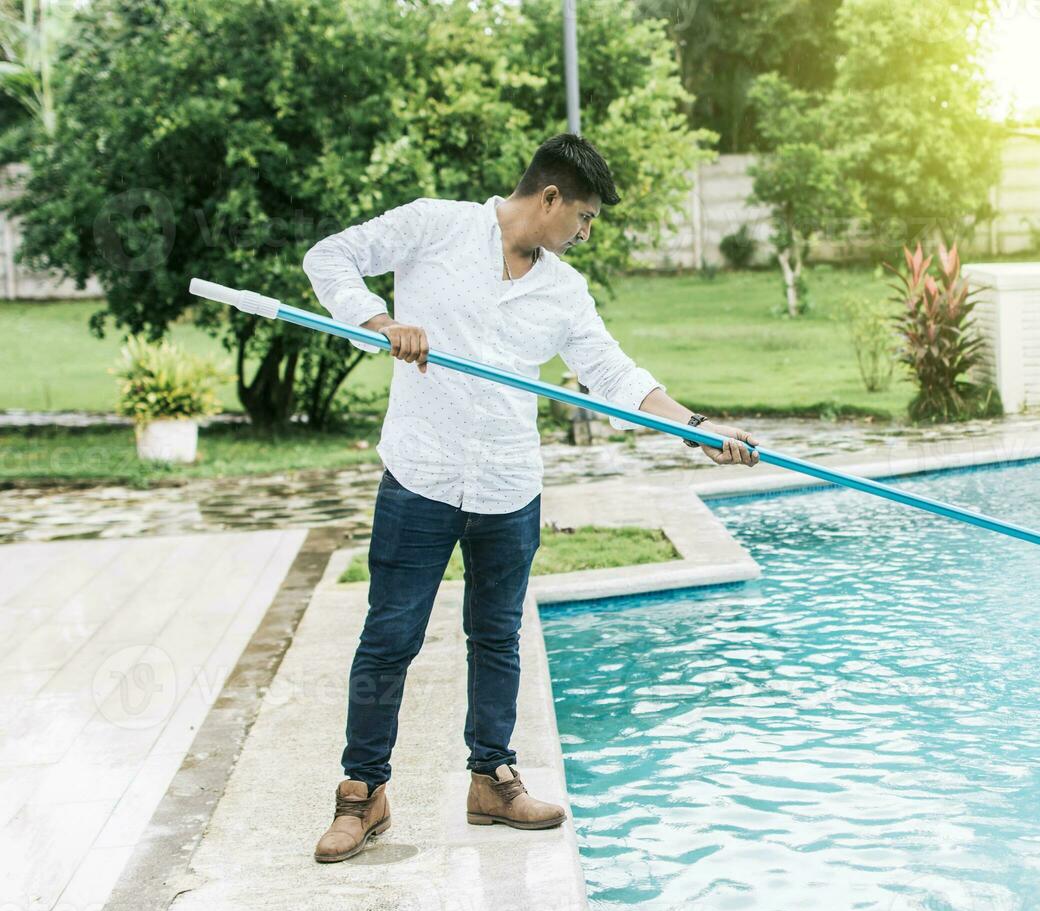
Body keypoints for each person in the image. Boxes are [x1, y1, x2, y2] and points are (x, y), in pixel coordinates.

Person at [303, 133, 760, 863]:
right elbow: (328, 257)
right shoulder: (435, 226)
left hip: (508, 485)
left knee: (498, 637)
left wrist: (696, 429)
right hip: (421, 475)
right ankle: (363, 793)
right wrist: (382, 324)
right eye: (583, 218)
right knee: (389, 639)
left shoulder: (563, 291)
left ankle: (492, 778)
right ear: (549, 199)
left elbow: (612, 374)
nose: (584, 234)